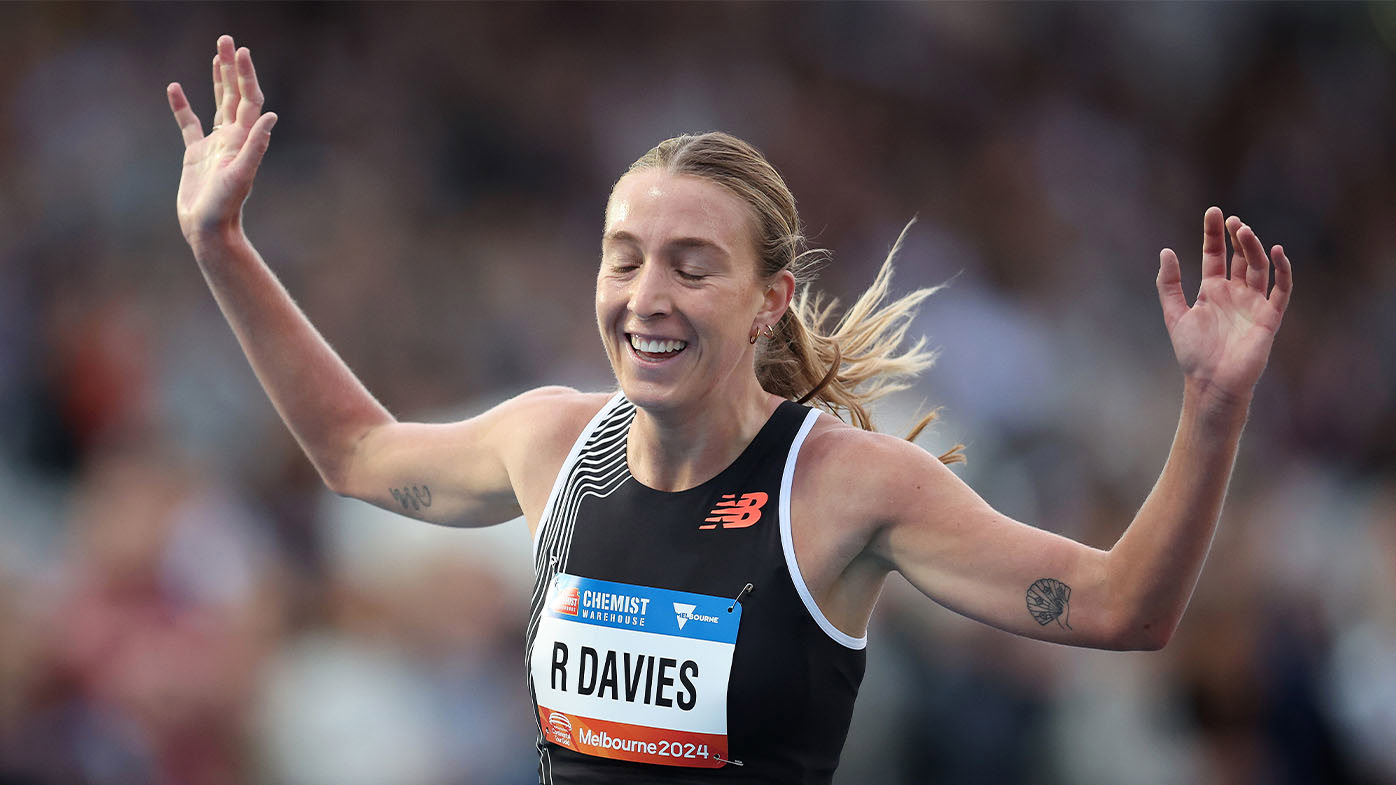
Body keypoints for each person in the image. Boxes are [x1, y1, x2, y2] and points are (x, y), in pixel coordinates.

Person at [167, 35, 1293, 785]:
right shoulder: (550, 444)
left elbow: (1121, 607)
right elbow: (357, 450)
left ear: (769, 302)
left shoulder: (847, 486)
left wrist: (1211, 403)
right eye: (624, 260)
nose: (646, 297)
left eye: (691, 265)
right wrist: (221, 246)